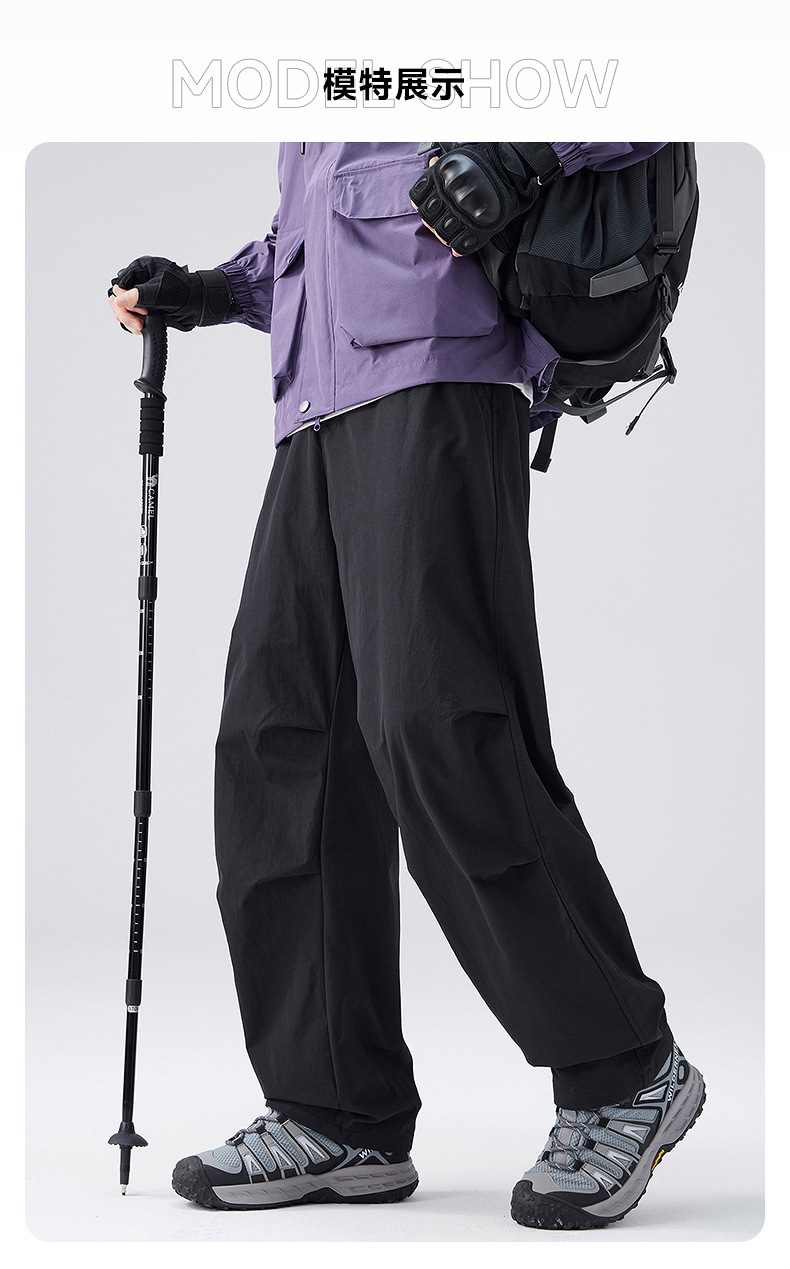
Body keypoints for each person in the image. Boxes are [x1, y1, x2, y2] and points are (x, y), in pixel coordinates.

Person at [108, 141, 705, 1231]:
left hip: (440, 377)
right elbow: (326, 235)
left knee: (438, 726)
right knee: (281, 746)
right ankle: (338, 1107)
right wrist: (216, 289)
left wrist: (516, 150)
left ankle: (624, 1068)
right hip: (314, 409)